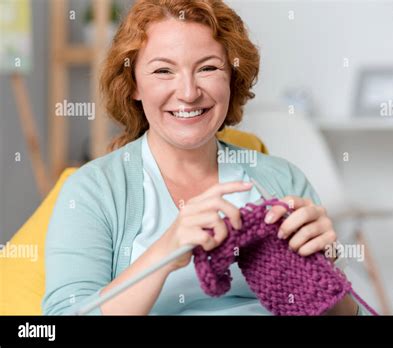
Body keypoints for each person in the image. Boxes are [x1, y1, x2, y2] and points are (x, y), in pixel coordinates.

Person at [42, 0, 367, 315]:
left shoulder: (282, 181)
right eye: (163, 70)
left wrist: (324, 269)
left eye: (208, 68)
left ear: (231, 77)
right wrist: (165, 251)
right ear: (134, 85)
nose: (188, 92)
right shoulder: (92, 190)